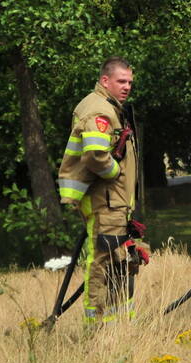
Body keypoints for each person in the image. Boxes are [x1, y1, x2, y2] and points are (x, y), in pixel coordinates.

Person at [57, 56, 149, 325]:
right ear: (105, 80)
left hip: (113, 202)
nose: (127, 86)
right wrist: (115, 173)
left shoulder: (108, 106)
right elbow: (96, 155)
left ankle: (118, 327)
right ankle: (97, 327)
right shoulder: (100, 110)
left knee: (119, 260)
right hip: (105, 201)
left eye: (130, 81)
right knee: (105, 262)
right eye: (122, 81)